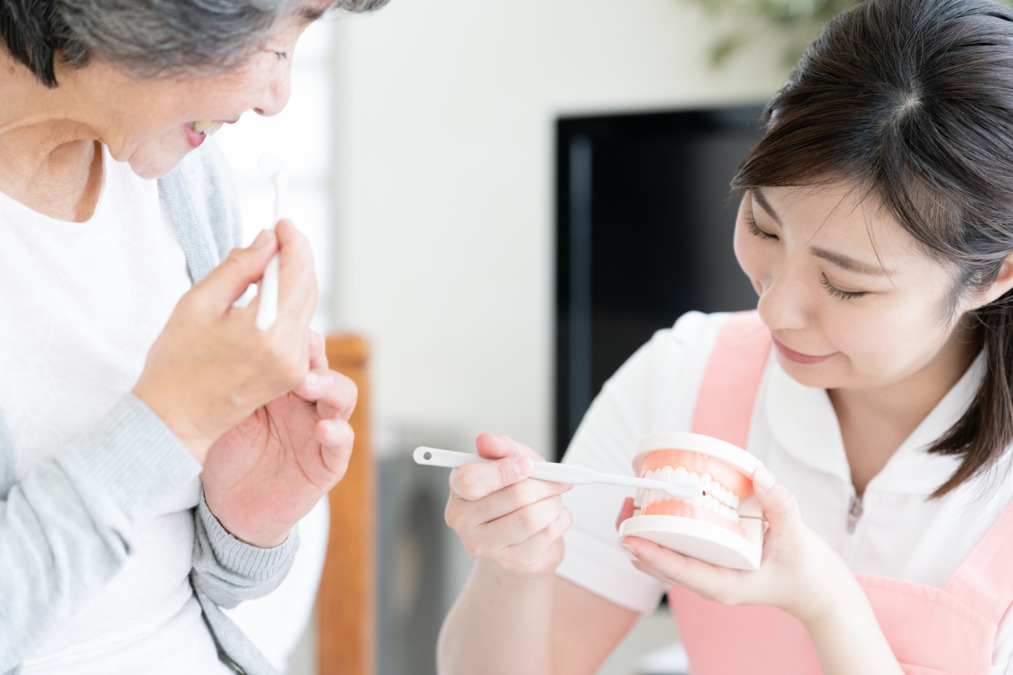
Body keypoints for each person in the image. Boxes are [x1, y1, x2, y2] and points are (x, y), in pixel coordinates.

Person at [436, 0, 1013, 672]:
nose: (773, 313)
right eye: (764, 228)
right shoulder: (682, 376)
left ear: (993, 274)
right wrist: (514, 566)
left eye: (845, 284)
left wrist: (826, 601)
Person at [0, 0, 386, 673]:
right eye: (273, 45)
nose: (278, 97)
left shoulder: (176, 170)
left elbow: (203, 590)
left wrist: (248, 515)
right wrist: (166, 421)